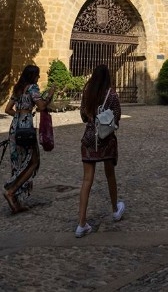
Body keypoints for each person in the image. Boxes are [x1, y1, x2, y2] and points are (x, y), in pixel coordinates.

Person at [75, 63, 126, 237]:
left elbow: (83, 116)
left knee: (86, 180)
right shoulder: (112, 95)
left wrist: (91, 117)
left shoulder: (87, 92)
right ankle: (114, 209)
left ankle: (81, 223)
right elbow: (117, 118)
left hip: (89, 139)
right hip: (106, 140)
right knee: (110, 175)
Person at [3, 64, 47, 213]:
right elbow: (41, 106)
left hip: (15, 126)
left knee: (19, 160)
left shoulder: (18, 88)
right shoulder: (33, 88)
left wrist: (19, 116)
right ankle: (12, 190)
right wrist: (49, 95)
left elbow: (7, 109)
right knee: (33, 161)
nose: (39, 77)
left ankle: (16, 202)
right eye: (37, 74)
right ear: (33, 76)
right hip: (26, 127)